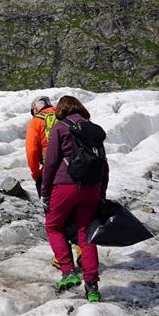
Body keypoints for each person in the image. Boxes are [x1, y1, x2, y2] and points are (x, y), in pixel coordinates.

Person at [41, 95, 107, 302]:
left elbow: (51, 162)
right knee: (86, 234)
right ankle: (92, 286)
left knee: (53, 226)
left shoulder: (60, 128)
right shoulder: (92, 128)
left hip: (65, 185)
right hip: (92, 187)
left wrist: (45, 192)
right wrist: (101, 192)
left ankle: (68, 272)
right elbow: (104, 164)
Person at [26, 95, 81, 269]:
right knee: (73, 212)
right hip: (73, 171)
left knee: (54, 217)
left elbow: (32, 150)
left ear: (35, 108)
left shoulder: (37, 121)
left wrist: (36, 173)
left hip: (50, 173)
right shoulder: (63, 116)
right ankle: (80, 248)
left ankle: (62, 258)